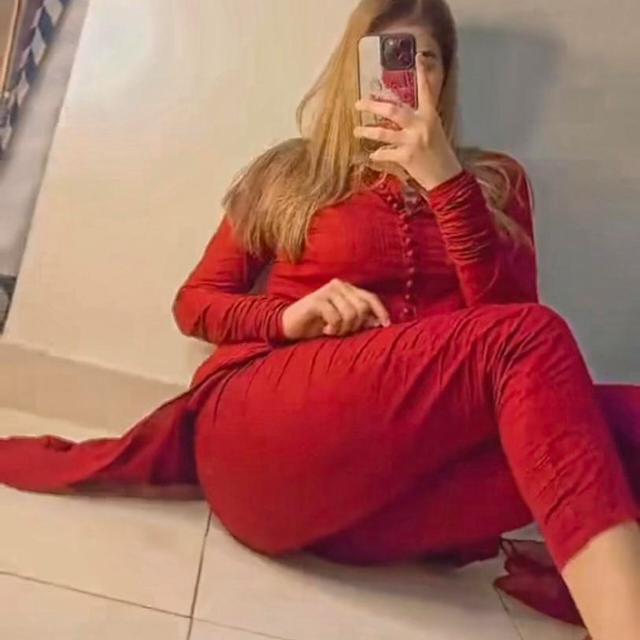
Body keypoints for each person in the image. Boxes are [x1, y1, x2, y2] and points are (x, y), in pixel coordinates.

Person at [1, 1, 639, 638]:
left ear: (447, 77)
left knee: (623, 410)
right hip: (274, 436)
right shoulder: (294, 171)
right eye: (392, 57)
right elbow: (195, 303)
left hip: (393, 502)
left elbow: (512, 332)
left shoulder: (496, 185)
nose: (411, 76)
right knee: (533, 338)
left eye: (428, 59)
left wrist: (447, 184)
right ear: (353, 70)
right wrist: (290, 318)